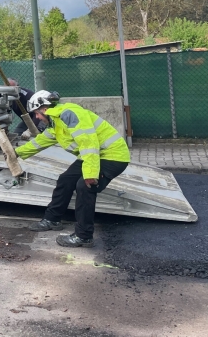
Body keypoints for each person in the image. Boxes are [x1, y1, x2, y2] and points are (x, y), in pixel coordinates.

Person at [14, 90, 130, 248]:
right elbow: (40, 142)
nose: (37, 118)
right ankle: (52, 219)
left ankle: (83, 236)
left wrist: (90, 174)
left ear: (44, 109)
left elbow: (89, 144)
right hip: (95, 155)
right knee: (66, 180)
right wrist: (16, 153)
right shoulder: (56, 121)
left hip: (114, 156)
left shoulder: (69, 115)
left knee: (85, 186)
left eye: (37, 113)